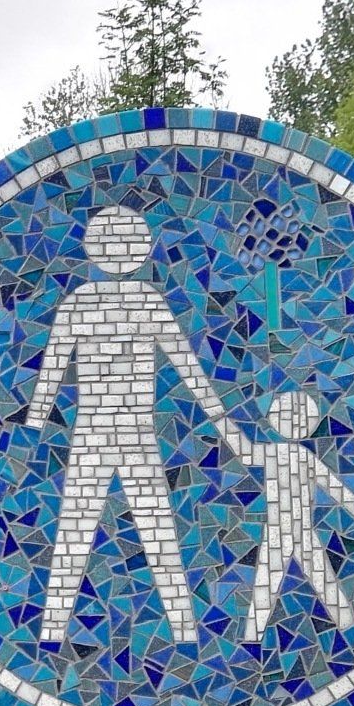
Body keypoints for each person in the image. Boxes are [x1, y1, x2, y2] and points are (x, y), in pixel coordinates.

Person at [28, 205, 249, 651]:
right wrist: (36, 414)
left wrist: (37, 414)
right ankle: (59, 629)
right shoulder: (108, 301)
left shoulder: (123, 300)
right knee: (100, 525)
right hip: (106, 430)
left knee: (134, 524)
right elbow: (53, 363)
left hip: (122, 431)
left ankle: (177, 627)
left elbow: (186, 366)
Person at [229, 389, 354, 646]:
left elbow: (331, 484)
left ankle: (254, 634)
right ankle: (254, 634)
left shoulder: (295, 455)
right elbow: (246, 453)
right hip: (284, 529)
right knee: (277, 579)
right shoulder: (283, 454)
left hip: (298, 529)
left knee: (304, 576)